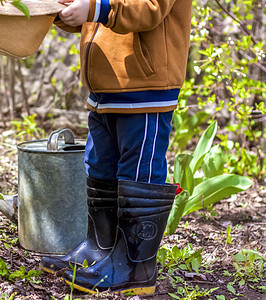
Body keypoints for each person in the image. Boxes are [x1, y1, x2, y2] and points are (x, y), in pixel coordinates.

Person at [39, 0, 192, 295]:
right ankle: (100, 249)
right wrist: (64, 9)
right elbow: (93, 13)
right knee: (100, 165)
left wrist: (94, 9)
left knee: (138, 172)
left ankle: (135, 266)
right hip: (106, 85)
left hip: (146, 84)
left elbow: (149, 8)